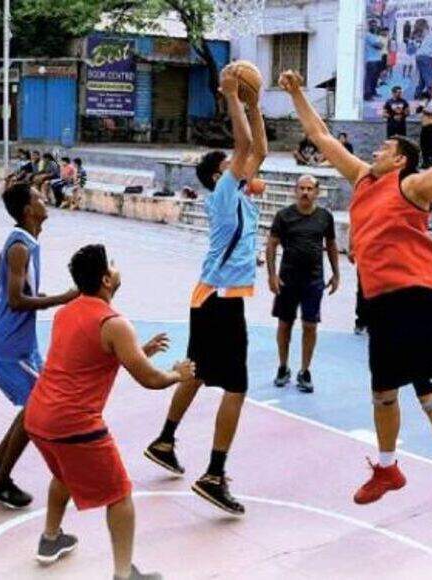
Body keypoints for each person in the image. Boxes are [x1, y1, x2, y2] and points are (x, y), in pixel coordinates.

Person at [281, 65, 432, 529]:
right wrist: (296, 92)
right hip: (383, 306)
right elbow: (319, 134)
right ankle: (389, 469)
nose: (377, 148)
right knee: (382, 394)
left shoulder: (410, 186)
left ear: (400, 161)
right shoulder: (363, 179)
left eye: (386, 147)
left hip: (420, 302)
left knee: (430, 396)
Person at [25, 243, 195, 580]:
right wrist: (179, 374)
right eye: (112, 265)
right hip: (74, 424)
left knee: (63, 475)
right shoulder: (114, 323)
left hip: (38, 418)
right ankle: (123, 574)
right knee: (119, 495)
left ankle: (50, 538)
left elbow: (89, 354)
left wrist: (138, 349)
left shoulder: (66, 312)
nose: (117, 268)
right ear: (105, 279)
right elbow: (149, 378)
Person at [144, 67, 267, 516]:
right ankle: (214, 473)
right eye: (235, 166)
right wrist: (233, 97)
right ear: (222, 174)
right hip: (219, 299)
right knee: (236, 387)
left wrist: (254, 103)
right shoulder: (224, 192)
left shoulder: (239, 198)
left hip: (209, 297)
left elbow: (259, 148)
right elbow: (247, 146)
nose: (247, 167)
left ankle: (164, 440)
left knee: (196, 371)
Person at [0, 182, 79, 509]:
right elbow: (18, 301)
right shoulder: (20, 247)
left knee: (37, 404)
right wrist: (63, 298)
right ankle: (0, 480)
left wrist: (19, 285)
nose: (43, 198)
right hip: (11, 344)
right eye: (37, 196)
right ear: (27, 210)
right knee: (38, 407)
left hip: (22, 342)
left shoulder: (25, 242)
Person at [266, 175, 340, 393]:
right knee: (284, 323)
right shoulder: (284, 216)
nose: (305, 192)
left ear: (317, 192)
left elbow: (332, 245)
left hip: (314, 280)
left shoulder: (325, 217)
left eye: (310, 188)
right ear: (295, 191)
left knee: (310, 325)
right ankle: (283, 366)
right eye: (302, 188)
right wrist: (272, 275)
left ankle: (305, 370)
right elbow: (271, 245)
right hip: (287, 278)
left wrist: (336, 274)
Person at [414, 25, 432, 99]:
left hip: (420, 57)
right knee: (430, 78)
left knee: (423, 78)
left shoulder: (428, 36)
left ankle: (417, 94)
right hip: (427, 58)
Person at [364, 19, 385, 100]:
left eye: (375, 25)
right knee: (369, 78)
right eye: (372, 25)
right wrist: (380, 44)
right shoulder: (368, 35)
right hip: (371, 60)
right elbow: (379, 46)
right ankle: (367, 95)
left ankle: (373, 92)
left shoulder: (375, 36)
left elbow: (381, 45)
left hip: (377, 60)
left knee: (375, 78)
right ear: (369, 26)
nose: (374, 27)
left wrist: (381, 44)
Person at [418, 98, 432, 169]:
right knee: (423, 144)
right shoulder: (424, 102)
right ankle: (425, 162)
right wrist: (422, 107)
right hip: (424, 126)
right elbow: (418, 111)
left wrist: (426, 111)